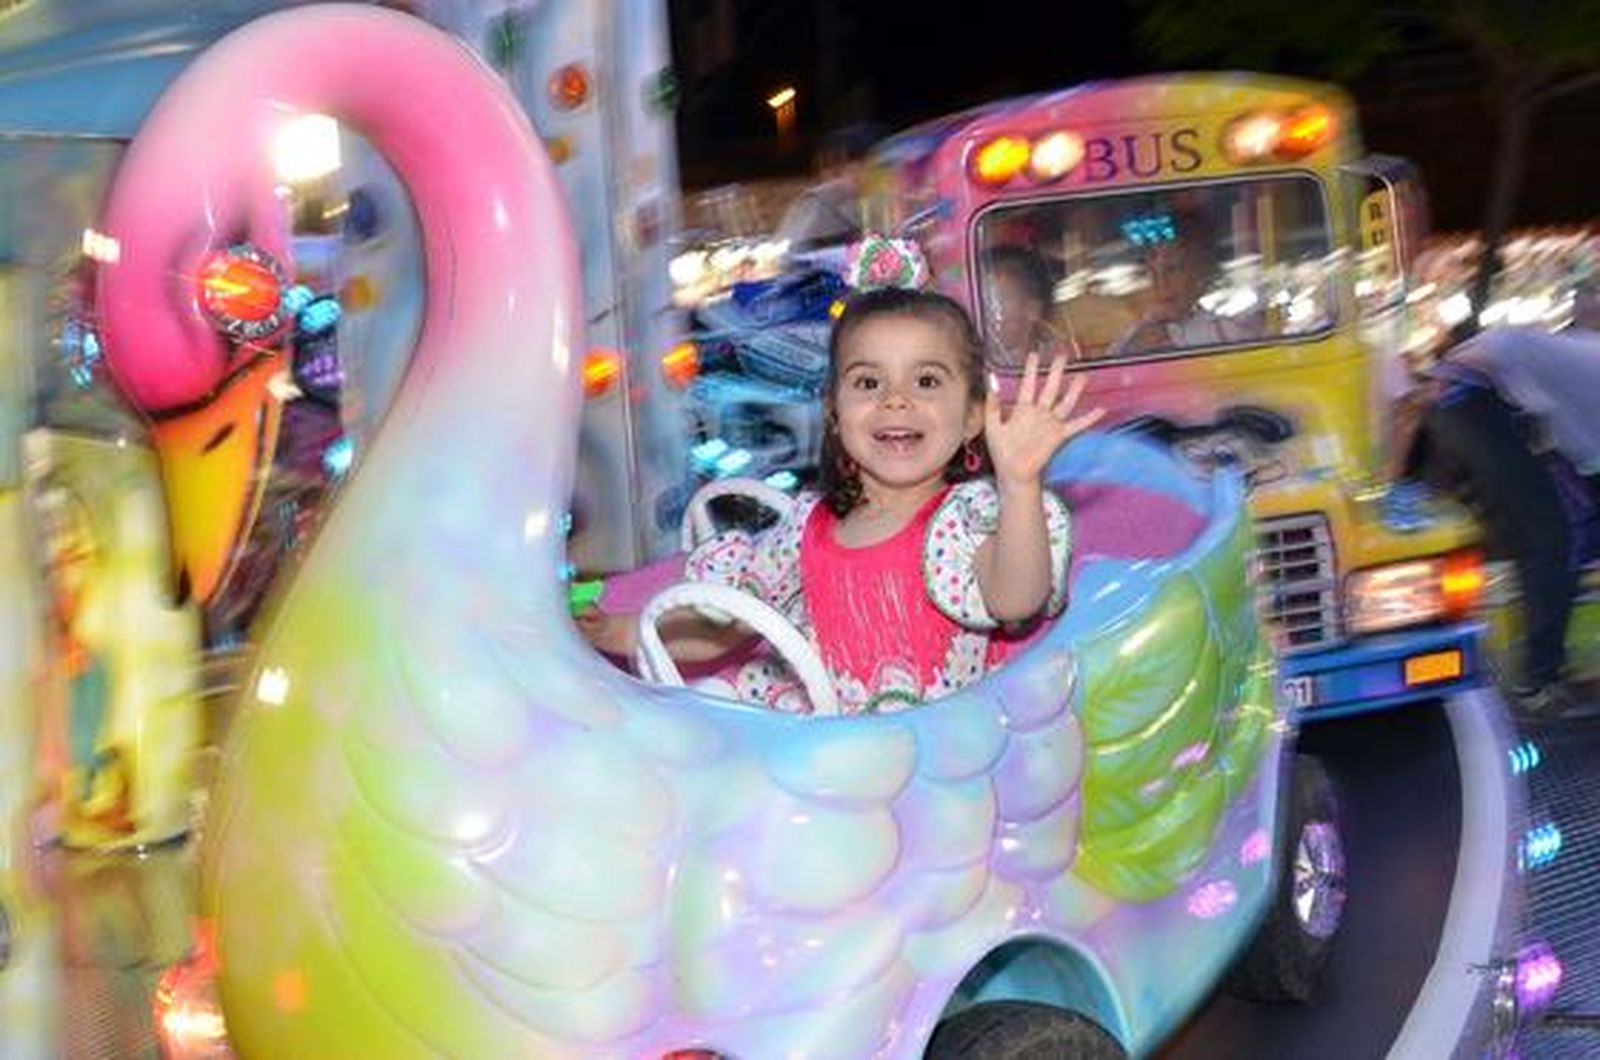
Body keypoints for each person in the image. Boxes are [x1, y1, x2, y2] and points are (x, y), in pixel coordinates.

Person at [579, 283, 1103, 713]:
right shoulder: (804, 527)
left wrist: (1019, 484)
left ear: (971, 416)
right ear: (834, 411)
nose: (895, 399)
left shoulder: (967, 519)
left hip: (940, 764)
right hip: (834, 766)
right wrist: (620, 630)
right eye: (868, 382)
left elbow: (1016, 598)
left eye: (926, 380)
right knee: (710, 710)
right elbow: (722, 629)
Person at [1400, 324, 1600, 723]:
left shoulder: (1584, 355)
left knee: (1531, 535)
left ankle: (1538, 664)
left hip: (1455, 403)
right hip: (1473, 400)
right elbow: (1585, 466)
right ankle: (1538, 684)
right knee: (1550, 540)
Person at [1109, 209, 1257, 357]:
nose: (1161, 283)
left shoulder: (1230, 336)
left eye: (1172, 269)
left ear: (1200, 273)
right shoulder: (1132, 340)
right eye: (1152, 272)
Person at [980, 245, 1075, 369]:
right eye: (984, 300)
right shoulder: (981, 362)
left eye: (999, 300)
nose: (987, 311)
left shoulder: (1059, 360)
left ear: (1033, 310)